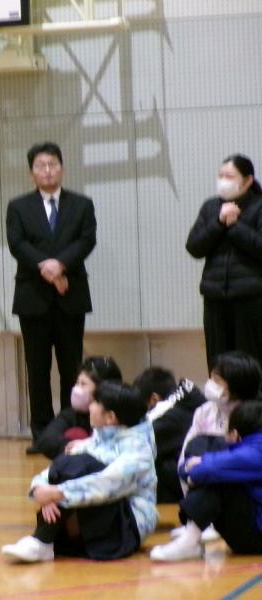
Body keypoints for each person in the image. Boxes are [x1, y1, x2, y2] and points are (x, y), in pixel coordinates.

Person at [6, 142, 97, 454]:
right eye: (40, 166)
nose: (47, 170)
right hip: (33, 298)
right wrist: (46, 267)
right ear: (31, 173)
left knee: (72, 369)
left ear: (62, 168)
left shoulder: (81, 204)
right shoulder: (18, 207)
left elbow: (86, 240)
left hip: (71, 296)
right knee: (37, 368)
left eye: (52, 164)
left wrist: (61, 265)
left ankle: (75, 430)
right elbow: (17, 244)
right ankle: (42, 434)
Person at [1, 381, 157, 562]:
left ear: (110, 417)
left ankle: (42, 540)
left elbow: (107, 484)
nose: (90, 406)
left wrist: (57, 493)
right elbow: (54, 470)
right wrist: (40, 490)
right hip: (96, 525)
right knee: (69, 460)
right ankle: (43, 540)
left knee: (83, 464)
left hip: (126, 529)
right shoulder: (98, 439)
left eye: (95, 402)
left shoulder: (138, 450)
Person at [150, 350, 261, 559]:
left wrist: (199, 467)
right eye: (212, 378)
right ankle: (195, 528)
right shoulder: (205, 411)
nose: (211, 384)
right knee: (204, 451)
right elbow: (188, 456)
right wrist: (192, 470)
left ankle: (191, 538)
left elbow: (231, 463)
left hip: (254, 523)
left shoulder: (255, 422)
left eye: (218, 380)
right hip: (241, 518)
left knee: (219, 476)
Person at [185, 154, 262, 371]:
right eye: (220, 175)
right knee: (218, 360)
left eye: (229, 176)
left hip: (251, 298)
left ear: (247, 180)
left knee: (249, 362)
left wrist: (235, 226)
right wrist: (219, 222)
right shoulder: (211, 207)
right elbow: (194, 246)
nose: (222, 181)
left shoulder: (259, 206)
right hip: (215, 298)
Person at [133, 368, 206, 503]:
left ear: (154, 399)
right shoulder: (186, 404)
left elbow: (135, 445)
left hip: (183, 494)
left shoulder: (168, 418)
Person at [34, 356, 122, 460]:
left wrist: (88, 447)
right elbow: (46, 440)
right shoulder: (72, 414)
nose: (76, 389)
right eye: (77, 382)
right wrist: (75, 448)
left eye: (83, 384)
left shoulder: (120, 414)